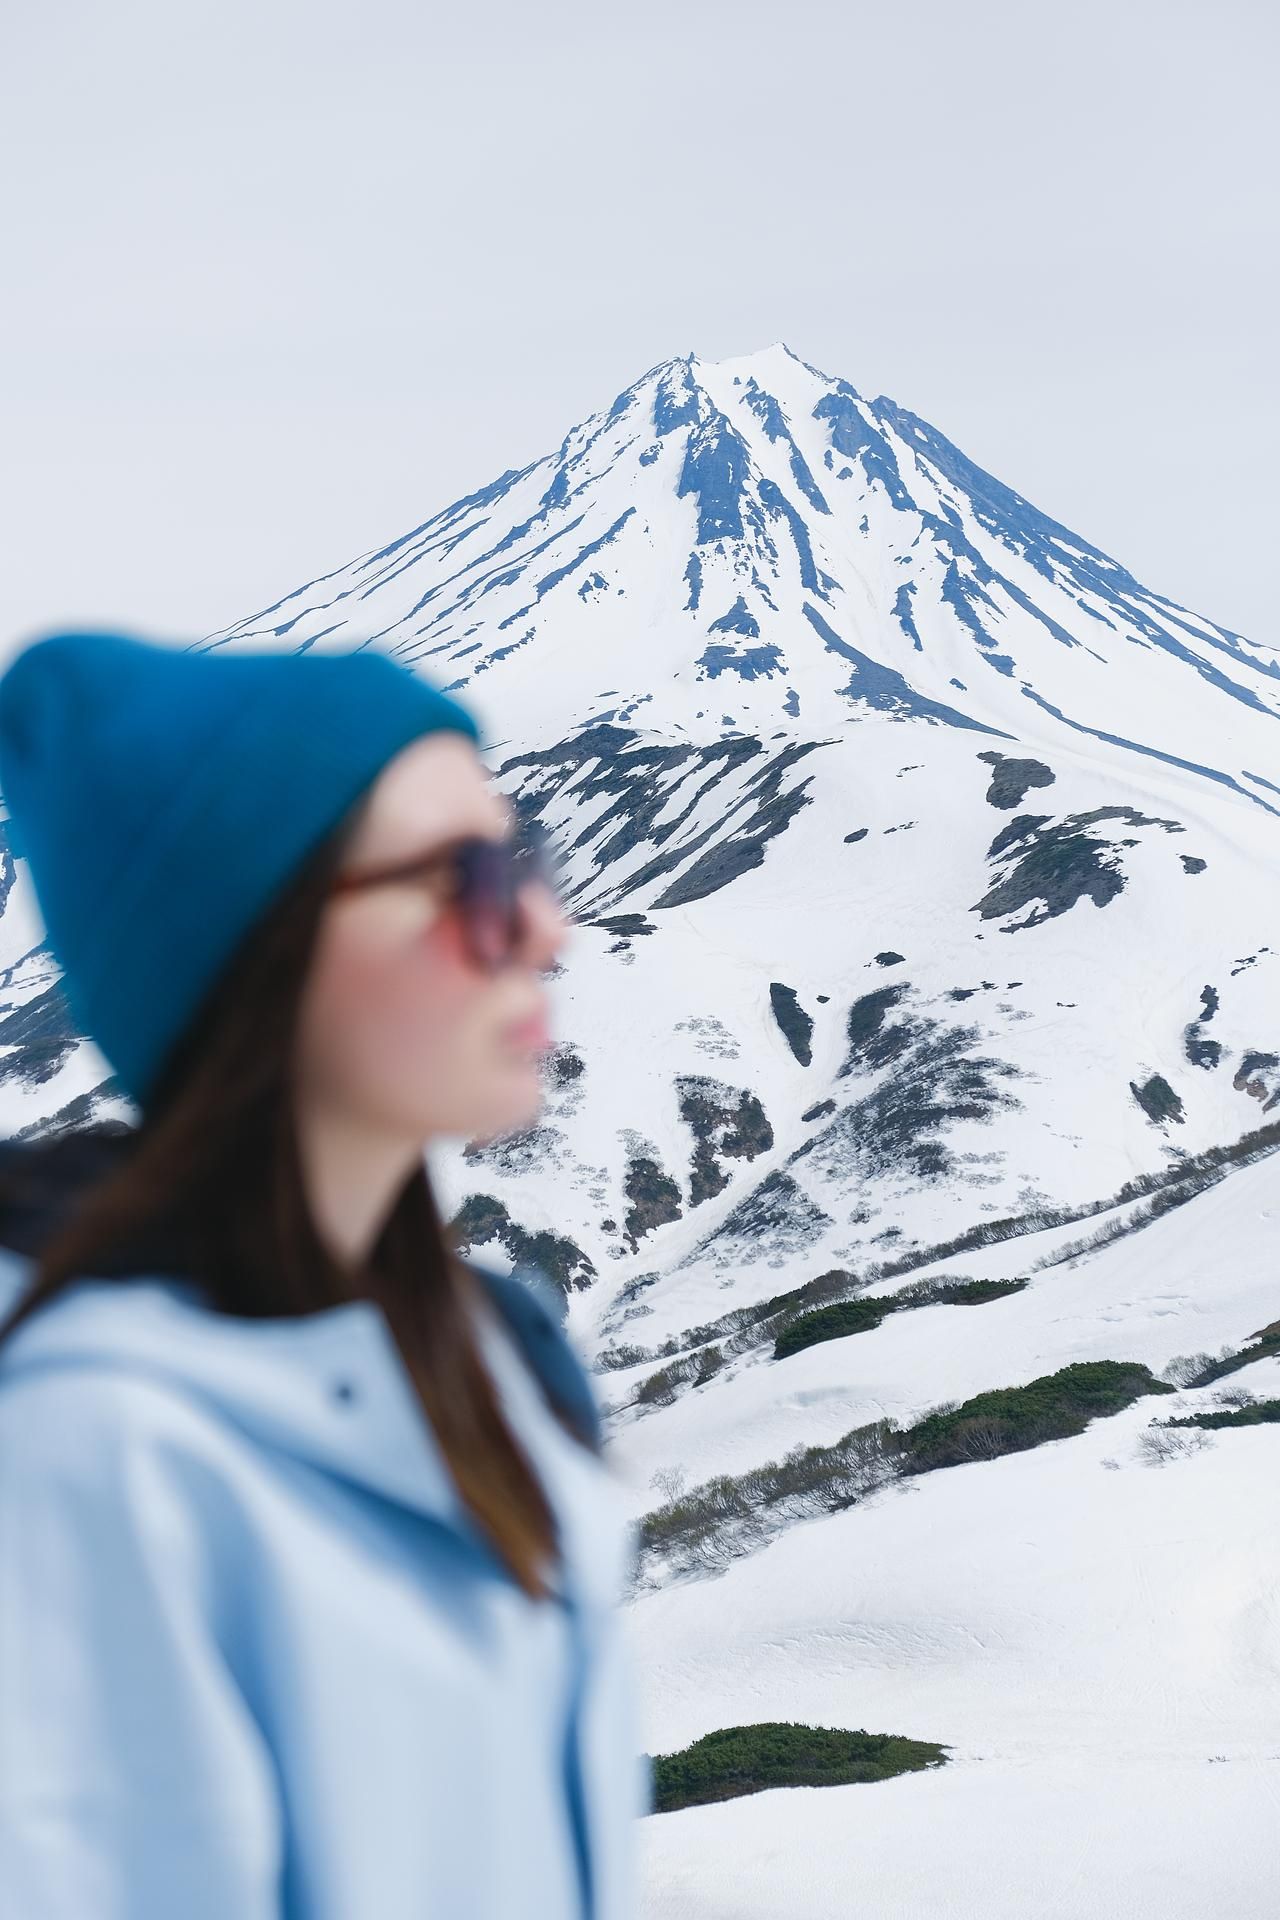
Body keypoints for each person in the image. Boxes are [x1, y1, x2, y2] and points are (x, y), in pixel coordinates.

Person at [0, 629, 649, 1919]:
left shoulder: (505, 1369)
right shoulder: (95, 1455)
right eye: (464, 879)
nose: (542, 926)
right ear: (266, 942)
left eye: (524, 855)